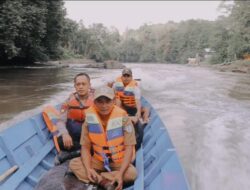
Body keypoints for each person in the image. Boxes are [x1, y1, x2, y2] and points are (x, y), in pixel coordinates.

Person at [69, 86, 137, 190]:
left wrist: (120, 174)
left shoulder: (124, 118)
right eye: (100, 101)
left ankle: (98, 179)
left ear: (114, 101)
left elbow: (129, 148)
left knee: (131, 173)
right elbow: (85, 147)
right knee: (74, 163)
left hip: (118, 161)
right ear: (94, 102)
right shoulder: (89, 119)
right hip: (98, 160)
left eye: (108, 101)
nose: (104, 105)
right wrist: (88, 169)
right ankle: (102, 181)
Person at [55, 73, 94, 164]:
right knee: (60, 141)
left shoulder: (96, 100)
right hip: (74, 135)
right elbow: (60, 121)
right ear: (75, 86)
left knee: (98, 145)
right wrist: (65, 134)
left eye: (83, 84)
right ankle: (82, 151)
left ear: (89, 85)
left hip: (89, 135)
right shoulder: (68, 101)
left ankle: (72, 154)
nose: (81, 87)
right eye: (78, 84)